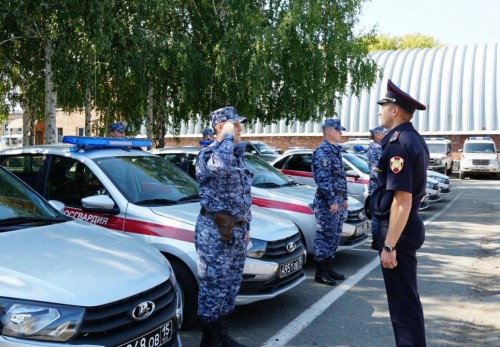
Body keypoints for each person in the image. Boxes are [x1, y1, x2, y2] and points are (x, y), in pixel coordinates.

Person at [370, 79, 429, 346]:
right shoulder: (413, 138)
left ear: (395, 109)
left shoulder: (397, 144)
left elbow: (401, 201)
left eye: (383, 106)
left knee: (403, 307)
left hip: (398, 231)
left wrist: (390, 246)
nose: (380, 111)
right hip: (406, 227)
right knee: (407, 300)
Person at [195, 106, 251, 347]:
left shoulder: (237, 155)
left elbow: (244, 196)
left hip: (236, 232)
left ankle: (222, 334)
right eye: (234, 124)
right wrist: (226, 138)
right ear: (221, 126)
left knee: (230, 286)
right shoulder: (207, 155)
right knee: (213, 286)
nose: (240, 128)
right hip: (215, 234)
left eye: (239, 125)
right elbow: (219, 166)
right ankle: (209, 340)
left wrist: (246, 227)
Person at [311, 118, 348, 286]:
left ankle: (329, 267)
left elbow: (340, 176)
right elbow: (323, 179)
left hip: (337, 199)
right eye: (338, 130)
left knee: (334, 235)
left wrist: (344, 197)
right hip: (327, 202)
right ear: (329, 131)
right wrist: (332, 200)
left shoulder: (334, 150)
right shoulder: (322, 151)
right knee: (324, 236)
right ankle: (321, 272)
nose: (341, 133)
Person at [367, 125, 387, 250]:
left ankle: (380, 238)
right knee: (376, 214)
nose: (386, 135)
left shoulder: (382, 147)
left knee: (382, 213)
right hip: (377, 186)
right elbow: (375, 169)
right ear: (377, 134)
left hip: (382, 185)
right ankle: (376, 240)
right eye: (384, 133)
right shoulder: (374, 148)